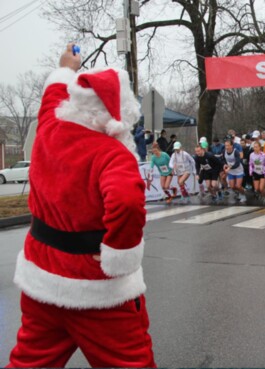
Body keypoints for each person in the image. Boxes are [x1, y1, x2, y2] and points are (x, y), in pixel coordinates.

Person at [8, 44, 155, 367]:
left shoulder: (49, 128)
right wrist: (119, 253)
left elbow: (52, 94)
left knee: (31, 361)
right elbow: (128, 202)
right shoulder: (113, 154)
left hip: (40, 280)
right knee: (130, 362)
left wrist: (66, 67)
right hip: (97, 290)